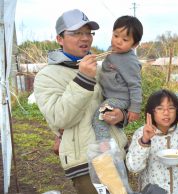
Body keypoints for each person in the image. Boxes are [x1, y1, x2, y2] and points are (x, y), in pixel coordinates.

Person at [33, 9, 128, 194]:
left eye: (88, 33)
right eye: (76, 33)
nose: (85, 38)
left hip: (114, 150)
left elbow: (114, 101)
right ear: (60, 39)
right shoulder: (46, 76)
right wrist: (84, 78)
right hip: (85, 161)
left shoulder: (100, 68)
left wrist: (120, 115)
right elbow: (60, 118)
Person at [126, 89, 178, 194]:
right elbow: (133, 167)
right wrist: (145, 141)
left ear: (177, 110)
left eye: (171, 108)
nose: (166, 113)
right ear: (151, 112)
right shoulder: (142, 133)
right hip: (152, 190)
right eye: (160, 108)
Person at [93, 15, 143, 140]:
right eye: (115, 36)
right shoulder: (112, 50)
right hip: (109, 94)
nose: (118, 41)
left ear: (135, 44)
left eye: (125, 40)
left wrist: (135, 109)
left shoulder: (129, 61)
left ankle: (104, 148)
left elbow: (135, 85)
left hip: (120, 98)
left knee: (99, 118)